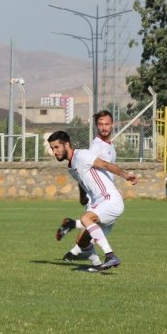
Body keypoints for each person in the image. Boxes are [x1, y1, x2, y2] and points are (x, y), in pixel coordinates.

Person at [47, 130, 138, 271]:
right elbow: (82, 181)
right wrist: (83, 196)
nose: (54, 152)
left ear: (67, 145)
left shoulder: (82, 155)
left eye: (57, 147)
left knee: (86, 218)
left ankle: (110, 255)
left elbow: (104, 164)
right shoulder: (71, 166)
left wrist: (125, 175)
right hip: (99, 204)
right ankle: (98, 266)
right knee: (81, 242)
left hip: (109, 199)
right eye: (52, 148)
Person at [60, 110, 117, 266]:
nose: (104, 127)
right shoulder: (96, 146)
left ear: (113, 124)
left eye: (107, 124)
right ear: (96, 126)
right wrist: (82, 194)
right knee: (94, 230)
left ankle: (72, 231)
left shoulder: (110, 145)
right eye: (100, 124)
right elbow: (82, 171)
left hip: (107, 194)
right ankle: (80, 254)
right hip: (97, 196)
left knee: (101, 228)